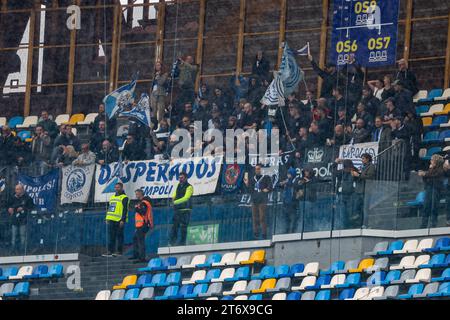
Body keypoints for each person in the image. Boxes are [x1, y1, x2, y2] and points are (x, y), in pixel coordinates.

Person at [244, 165, 273, 239]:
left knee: (262, 217)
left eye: (259, 169)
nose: (257, 170)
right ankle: (256, 232)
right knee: (255, 217)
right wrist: (247, 184)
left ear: (261, 170)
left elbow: (270, 186)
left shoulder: (266, 177)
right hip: (254, 200)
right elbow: (250, 190)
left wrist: (267, 189)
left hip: (262, 200)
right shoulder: (253, 179)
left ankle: (264, 233)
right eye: (256, 169)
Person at [418, 154, 445, 228]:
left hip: (436, 190)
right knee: (426, 207)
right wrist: (424, 175)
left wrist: (425, 173)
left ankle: (433, 225)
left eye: (432, 160)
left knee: (434, 208)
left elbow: (431, 174)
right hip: (429, 189)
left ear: (436, 162)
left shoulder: (440, 170)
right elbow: (427, 179)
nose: (430, 161)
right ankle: (424, 225)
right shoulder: (431, 170)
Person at [103, 183, 129, 257]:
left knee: (119, 236)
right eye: (115, 187)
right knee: (111, 236)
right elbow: (110, 209)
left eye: (118, 187)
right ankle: (110, 251)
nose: (116, 189)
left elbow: (125, 210)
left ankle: (119, 251)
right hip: (111, 219)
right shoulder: (112, 197)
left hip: (119, 220)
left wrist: (123, 220)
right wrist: (107, 218)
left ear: (121, 188)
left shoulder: (124, 197)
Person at [351, 153, 376, 228]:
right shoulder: (363, 167)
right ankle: (360, 223)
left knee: (365, 209)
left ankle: (366, 224)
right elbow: (362, 176)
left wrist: (358, 175)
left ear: (368, 159)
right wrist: (356, 175)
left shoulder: (371, 166)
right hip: (361, 190)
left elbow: (370, 176)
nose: (362, 160)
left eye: (363, 158)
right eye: (362, 158)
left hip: (367, 190)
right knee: (359, 208)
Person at [7, 184, 34, 253]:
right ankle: (13, 250)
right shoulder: (12, 198)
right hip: (14, 220)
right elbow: (7, 206)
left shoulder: (27, 198)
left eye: (18, 189)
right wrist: (9, 209)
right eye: (16, 189)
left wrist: (23, 208)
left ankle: (22, 250)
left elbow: (32, 207)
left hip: (23, 220)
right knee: (14, 236)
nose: (17, 191)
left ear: (22, 190)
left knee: (22, 236)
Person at [170, 172, 194, 246]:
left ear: (186, 178)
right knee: (174, 227)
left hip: (186, 210)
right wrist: (173, 198)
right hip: (178, 210)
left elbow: (186, 198)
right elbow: (175, 194)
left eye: (182, 178)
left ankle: (182, 243)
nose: (180, 179)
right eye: (179, 178)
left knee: (183, 227)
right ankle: (172, 242)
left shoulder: (189, 187)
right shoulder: (178, 185)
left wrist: (175, 202)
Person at [130, 189, 153, 262]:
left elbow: (143, 212)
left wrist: (137, 208)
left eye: (137, 194)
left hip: (143, 224)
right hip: (140, 224)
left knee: (140, 241)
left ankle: (141, 257)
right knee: (135, 239)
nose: (136, 196)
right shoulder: (142, 202)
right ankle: (136, 255)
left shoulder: (144, 203)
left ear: (141, 194)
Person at [280, 168, 300, 234]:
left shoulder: (296, 180)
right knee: (286, 218)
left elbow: (295, 185)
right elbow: (279, 185)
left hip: (293, 202)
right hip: (286, 202)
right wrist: (281, 184)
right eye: (288, 174)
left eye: (289, 174)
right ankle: (287, 230)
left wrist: (287, 182)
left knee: (294, 218)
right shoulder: (287, 180)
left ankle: (293, 231)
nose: (288, 175)